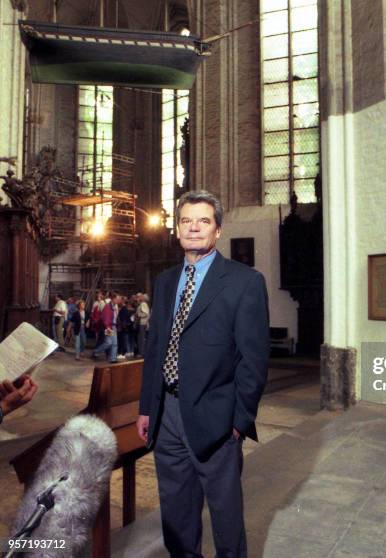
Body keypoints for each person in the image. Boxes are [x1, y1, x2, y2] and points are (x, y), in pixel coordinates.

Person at [137, 190, 269, 558]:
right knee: (177, 516)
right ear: (177, 229)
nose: (193, 227)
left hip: (218, 418)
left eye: (203, 221)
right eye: (186, 220)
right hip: (167, 418)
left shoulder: (244, 282)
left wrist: (239, 421)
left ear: (218, 230)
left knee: (226, 521)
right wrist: (148, 408)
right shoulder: (165, 281)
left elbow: (253, 360)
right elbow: (156, 348)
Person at [91, 292, 120, 363]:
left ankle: (113, 359)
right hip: (109, 327)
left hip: (113, 326)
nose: (118, 300)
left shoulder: (114, 306)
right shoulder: (107, 307)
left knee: (114, 343)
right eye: (117, 299)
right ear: (113, 299)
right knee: (108, 343)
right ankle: (95, 351)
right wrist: (107, 327)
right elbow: (105, 318)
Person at [135, 293, 150, 357]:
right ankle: (142, 352)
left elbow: (146, 314)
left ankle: (142, 353)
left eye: (139, 297)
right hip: (142, 323)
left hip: (142, 323)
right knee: (141, 338)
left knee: (141, 339)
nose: (138, 298)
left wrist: (138, 315)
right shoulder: (142, 304)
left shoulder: (143, 304)